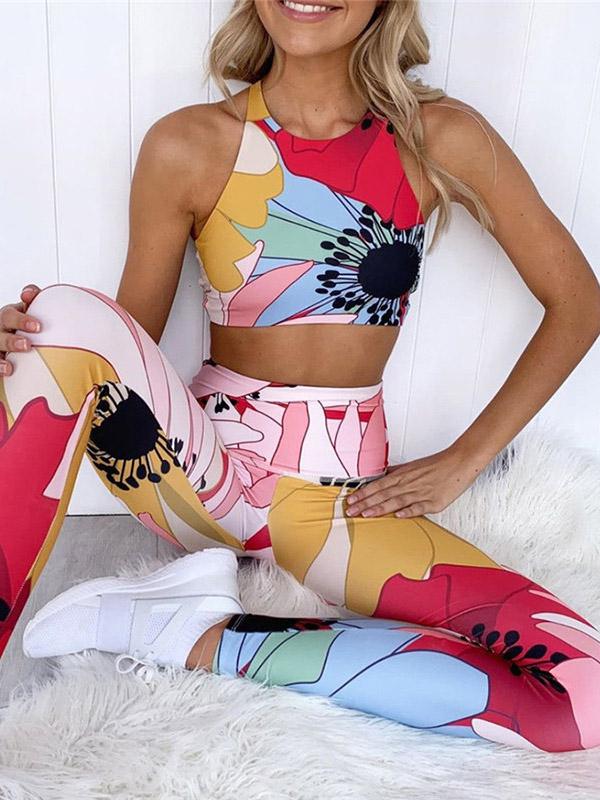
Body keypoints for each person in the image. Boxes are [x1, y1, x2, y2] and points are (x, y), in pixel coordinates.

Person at [1, 0, 600, 753]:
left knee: (582, 692)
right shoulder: (189, 143)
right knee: (54, 317)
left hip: (339, 503)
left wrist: (463, 461)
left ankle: (195, 635)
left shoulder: (439, 137)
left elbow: (578, 303)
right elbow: (129, 343)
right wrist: (34, 341)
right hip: (198, 476)